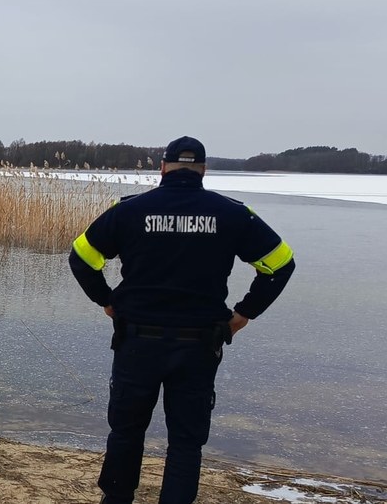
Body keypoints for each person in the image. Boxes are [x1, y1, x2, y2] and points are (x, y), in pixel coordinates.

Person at [68, 136, 296, 504]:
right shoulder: (233, 214)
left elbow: (81, 258)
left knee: (126, 432)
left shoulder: (129, 210)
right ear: (203, 170)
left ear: (163, 167)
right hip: (199, 344)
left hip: (137, 341)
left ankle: (116, 499)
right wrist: (244, 313)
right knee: (186, 441)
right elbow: (280, 265)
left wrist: (107, 301)